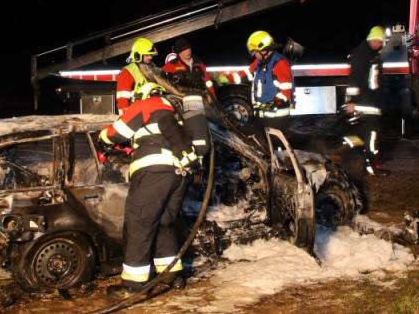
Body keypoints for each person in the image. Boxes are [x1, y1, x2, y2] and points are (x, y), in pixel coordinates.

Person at [98, 82, 203, 296]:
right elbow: (155, 139)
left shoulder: (146, 105)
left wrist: (102, 138)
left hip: (154, 174)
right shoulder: (173, 113)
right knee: (164, 224)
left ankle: (133, 286)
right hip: (179, 175)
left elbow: (116, 132)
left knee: (139, 224)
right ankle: (172, 276)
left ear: (140, 95)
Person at [220, 30, 294, 137]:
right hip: (263, 115)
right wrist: (226, 79)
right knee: (259, 140)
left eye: (255, 52)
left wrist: (275, 102)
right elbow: (246, 74)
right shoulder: (260, 62)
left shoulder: (279, 63)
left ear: (264, 50)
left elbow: (286, 88)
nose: (254, 55)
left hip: (276, 116)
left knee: (272, 142)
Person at [343, 25, 390, 176]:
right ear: (371, 39)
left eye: (381, 42)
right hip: (365, 102)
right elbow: (354, 79)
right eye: (378, 41)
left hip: (371, 102)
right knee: (372, 134)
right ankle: (371, 166)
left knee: (368, 133)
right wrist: (352, 101)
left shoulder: (371, 54)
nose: (380, 44)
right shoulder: (362, 55)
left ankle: (364, 158)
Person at [116, 37, 157, 111]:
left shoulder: (151, 70)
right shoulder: (127, 72)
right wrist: (125, 116)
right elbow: (122, 99)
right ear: (137, 55)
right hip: (136, 113)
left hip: (151, 110)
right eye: (147, 55)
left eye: (151, 55)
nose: (150, 57)